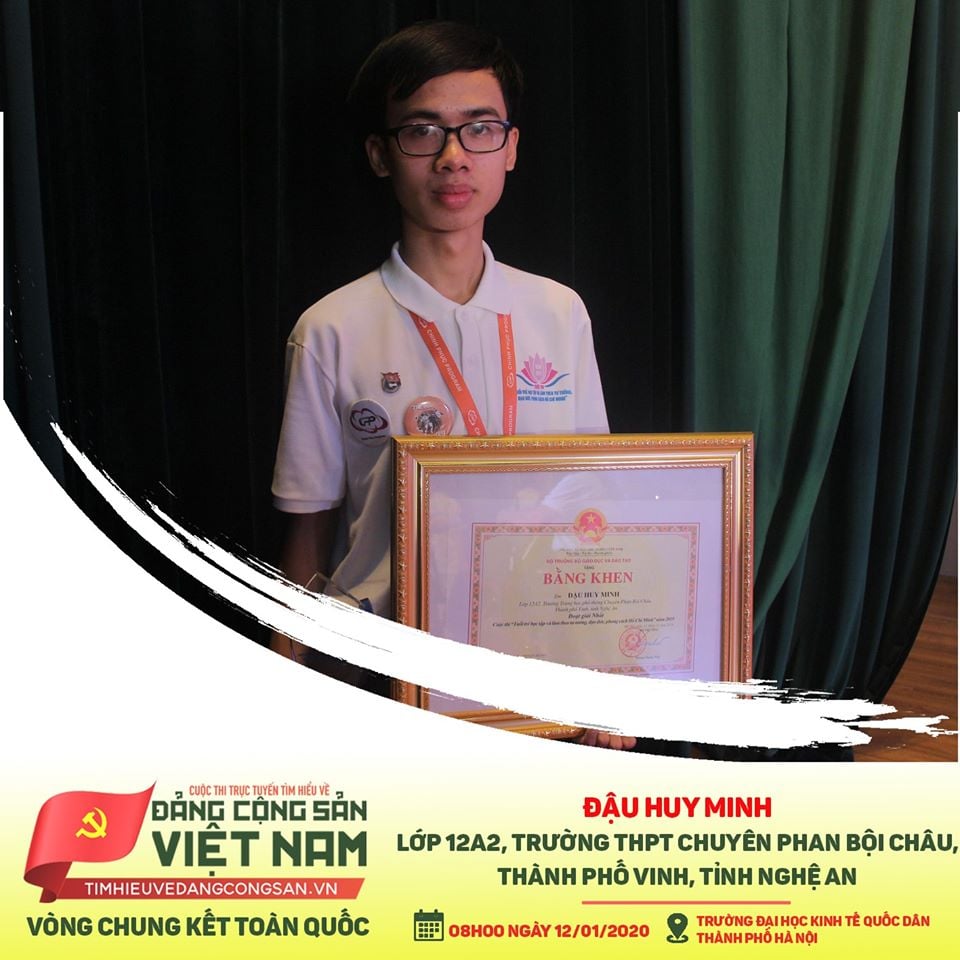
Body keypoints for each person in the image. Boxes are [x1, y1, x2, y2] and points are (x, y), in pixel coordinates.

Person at [271, 20, 633, 750]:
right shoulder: (331, 328)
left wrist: (608, 676)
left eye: (479, 129)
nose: (453, 157)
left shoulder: (558, 312)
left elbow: (591, 502)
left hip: (539, 656)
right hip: (386, 667)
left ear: (512, 148)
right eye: (422, 132)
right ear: (381, 154)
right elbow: (307, 540)